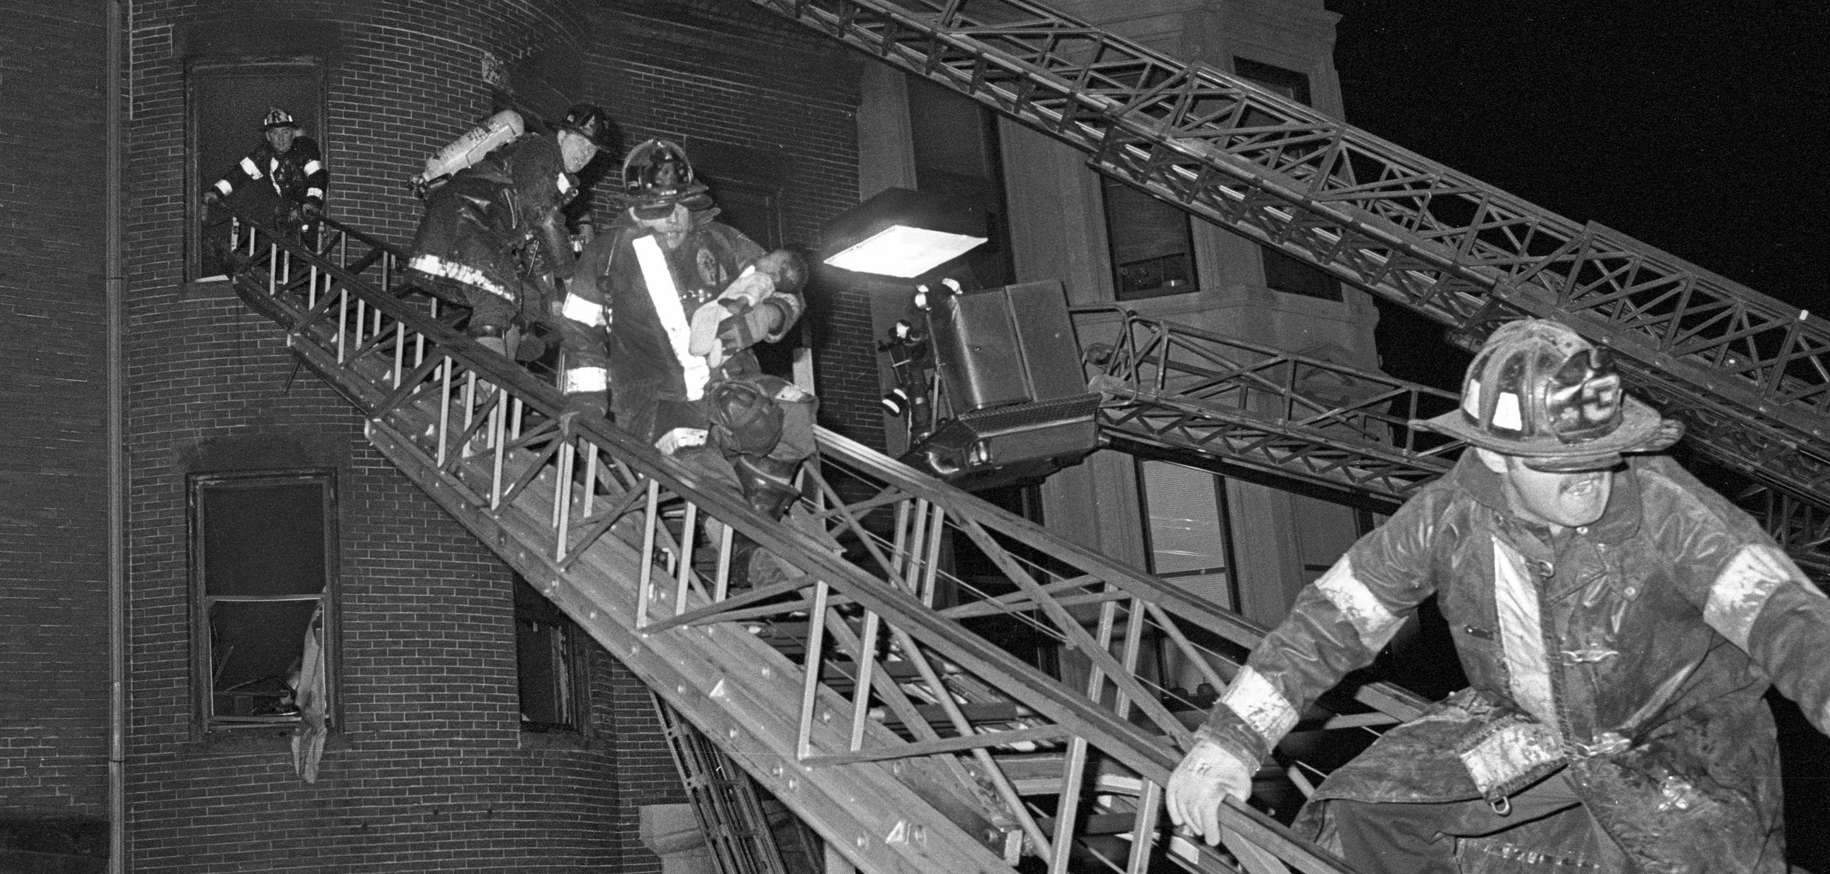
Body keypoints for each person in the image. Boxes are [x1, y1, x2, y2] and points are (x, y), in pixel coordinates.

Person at [1164, 318, 1830, 873]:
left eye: (1602, 453)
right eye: (1562, 463)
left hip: (1683, 753)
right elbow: (1332, 621)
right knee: (1363, 815)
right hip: (1530, 734)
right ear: (1494, 459)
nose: (1592, 476)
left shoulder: (1671, 514)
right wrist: (1228, 742)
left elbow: (1788, 620)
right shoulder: (1445, 518)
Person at [558, 138, 813, 584]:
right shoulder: (608, 253)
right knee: (697, 466)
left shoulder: (721, 239)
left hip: (731, 380)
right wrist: (587, 406)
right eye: (661, 210)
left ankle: (762, 521)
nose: (676, 221)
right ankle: (754, 561)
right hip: (658, 399)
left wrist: (764, 317)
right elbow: (580, 330)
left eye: (683, 206)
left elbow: (787, 286)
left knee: (790, 415)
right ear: (635, 208)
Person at [404, 103, 611, 360]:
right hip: (466, 216)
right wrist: (570, 276)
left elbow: (535, 236)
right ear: (561, 136)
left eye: (591, 150)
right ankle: (490, 388)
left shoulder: (553, 177)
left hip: (480, 226)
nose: (584, 154)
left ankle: (509, 355)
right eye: (580, 143)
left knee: (527, 298)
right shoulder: (540, 151)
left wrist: (550, 296)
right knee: (496, 294)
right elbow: (545, 219)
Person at [202, 107, 329, 247]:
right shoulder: (263, 153)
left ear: (293, 133)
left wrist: (312, 202)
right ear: (268, 136)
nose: (281, 139)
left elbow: (317, 175)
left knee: (311, 249)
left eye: (285, 132)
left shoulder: (304, 148)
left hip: (308, 212)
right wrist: (216, 192)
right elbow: (239, 173)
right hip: (286, 213)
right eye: (274, 133)